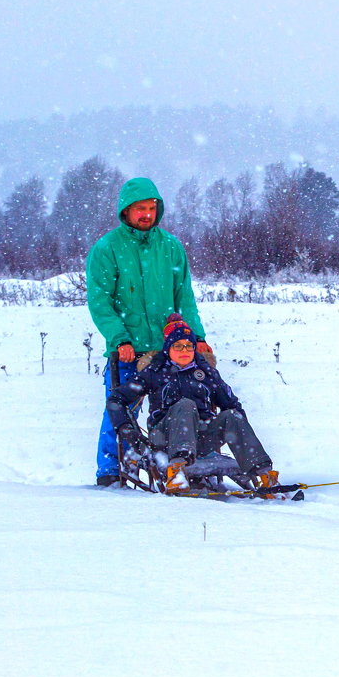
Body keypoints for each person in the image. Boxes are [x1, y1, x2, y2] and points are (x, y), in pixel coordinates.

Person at [86, 177, 213, 486]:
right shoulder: (107, 249)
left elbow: (184, 297)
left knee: (175, 411)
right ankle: (112, 473)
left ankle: (174, 468)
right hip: (128, 351)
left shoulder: (170, 247)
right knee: (120, 411)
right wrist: (120, 339)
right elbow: (100, 302)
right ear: (126, 212)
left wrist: (197, 338)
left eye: (152, 208)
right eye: (140, 208)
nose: (147, 214)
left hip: (170, 351)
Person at [107, 314, 278, 494]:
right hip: (164, 437)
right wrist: (126, 429)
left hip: (202, 438)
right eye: (178, 346)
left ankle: (264, 475)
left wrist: (239, 430)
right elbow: (116, 399)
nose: (184, 350)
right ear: (168, 348)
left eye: (189, 346)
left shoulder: (206, 373)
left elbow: (232, 404)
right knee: (186, 405)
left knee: (232, 415)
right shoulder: (154, 372)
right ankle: (177, 472)